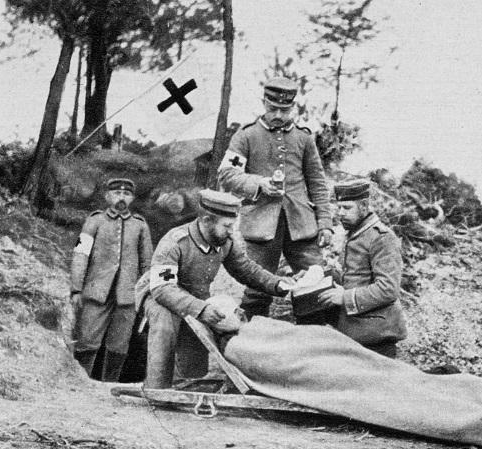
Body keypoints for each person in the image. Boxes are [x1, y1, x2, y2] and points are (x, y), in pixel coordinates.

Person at [139, 189, 295, 389]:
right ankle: (156, 390)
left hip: (194, 298)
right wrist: (201, 309)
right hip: (159, 295)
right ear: (206, 220)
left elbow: (246, 270)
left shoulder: (225, 242)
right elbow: (163, 288)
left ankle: (188, 388)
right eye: (227, 226)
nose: (232, 231)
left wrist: (277, 284)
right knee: (165, 325)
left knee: (196, 348)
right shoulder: (175, 242)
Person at [216, 76, 333, 322]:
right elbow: (227, 174)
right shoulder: (246, 136)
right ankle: (252, 344)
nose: (278, 114)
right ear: (263, 103)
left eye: (284, 109)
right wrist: (258, 184)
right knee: (258, 288)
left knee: (315, 285)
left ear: (293, 107)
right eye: (272, 109)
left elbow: (317, 182)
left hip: (301, 225)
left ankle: (313, 344)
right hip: (261, 226)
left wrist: (325, 222)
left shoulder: (303, 138)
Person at [71, 178, 153, 381]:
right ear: (107, 196)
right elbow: (80, 255)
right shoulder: (94, 221)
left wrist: (145, 295)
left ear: (132, 198)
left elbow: (147, 264)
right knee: (87, 341)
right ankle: (81, 382)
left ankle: (110, 384)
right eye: (117, 193)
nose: (121, 198)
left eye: (126, 194)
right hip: (96, 291)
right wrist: (76, 289)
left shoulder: (140, 226)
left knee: (119, 345)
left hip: (127, 296)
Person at [318, 179, 407, 358]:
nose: (340, 213)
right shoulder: (356, 233)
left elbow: (388, 289)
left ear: (364, 206)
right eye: (338, 207)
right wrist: (321, 274)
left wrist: (344, 297)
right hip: (357, 329)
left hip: (376, 336)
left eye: (347, 208)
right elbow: (354, 277)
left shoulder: (382, 238)